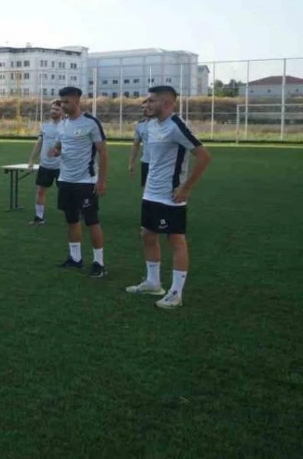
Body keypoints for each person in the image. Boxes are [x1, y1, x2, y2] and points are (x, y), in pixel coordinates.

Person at [126, 86, 212, 309]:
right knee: (147, 234)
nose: (147, 104)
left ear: (166, 103)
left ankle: (176, 293)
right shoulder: (152, 126)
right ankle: (153, 283)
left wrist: (186, 187)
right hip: (151, 192)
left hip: (170, 195)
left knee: (175, 240)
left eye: (152, 100)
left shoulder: (176, 126)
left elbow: (203, 157)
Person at [50, 86, 108, 278]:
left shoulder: (91, 123)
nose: (63, 105)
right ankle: (75, 258)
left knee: (92, 221)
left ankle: (99, 262)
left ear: (77, 100)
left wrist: (101, 181)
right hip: (65, 179)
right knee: (71, 220)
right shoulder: (63, 124)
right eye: (61, 102)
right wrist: (57, 150)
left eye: (66, 102)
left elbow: (103, 153)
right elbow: (60, 144)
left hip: (85, 180)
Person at [26, 100, 64, 225]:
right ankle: (39, 217)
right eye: (52, 109)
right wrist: (32, 159)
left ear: (62, 111)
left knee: (67, 193)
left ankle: (75, 215)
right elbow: (39, 144)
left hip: (61, 167)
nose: (53, 111)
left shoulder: (66, 126)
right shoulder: (45, 126)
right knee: (40, 191)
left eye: (57, 109)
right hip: (45, 165)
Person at [129, 99, 152, 188]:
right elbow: (136, 145)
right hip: (146, 162)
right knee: (146, 191)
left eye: (148, 107)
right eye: (143, 107)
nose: (145, 109)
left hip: (162, 164)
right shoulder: (140, 125)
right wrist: (131, 163)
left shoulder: (163, 123)